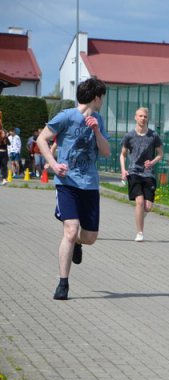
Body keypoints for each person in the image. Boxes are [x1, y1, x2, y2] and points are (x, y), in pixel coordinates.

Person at [35, 77, 110, 300]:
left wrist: (97, 131)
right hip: (67, 183)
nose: (102, 101)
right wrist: (54, 164)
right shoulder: (66, 116)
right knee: (70, 229)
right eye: (102, 98)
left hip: (89, 185)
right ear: (96, 97)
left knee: (90, 237)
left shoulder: (99, 119)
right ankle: (63, 283)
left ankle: (78, 243)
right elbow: (42, 139)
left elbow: (106, 152)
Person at [119, 107, 163, 242]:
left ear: (147, 118)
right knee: (139, 202)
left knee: (147, 207)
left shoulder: (153, 135)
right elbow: (123, 154)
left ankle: (140, 217)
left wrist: (153, 162)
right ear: (135, 117)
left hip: (148, 174)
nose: (143, 118)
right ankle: (140, 232)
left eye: (145, 116)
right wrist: (123, 170)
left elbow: (160, 154)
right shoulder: (129, 136)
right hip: (134, 172)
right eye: (140, 116)